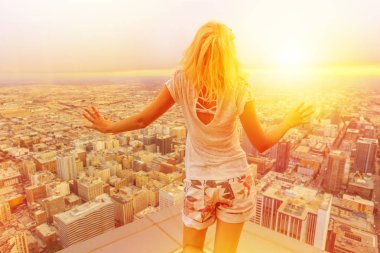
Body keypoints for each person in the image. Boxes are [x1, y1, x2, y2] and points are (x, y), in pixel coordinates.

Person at [82, 21, 314, 253]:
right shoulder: (239, 87)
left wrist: (109, 127)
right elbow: (261, 143)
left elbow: (143, 120)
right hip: (236, 180)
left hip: (199, 182)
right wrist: (287, 122)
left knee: (192, 247)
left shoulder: (181, 81)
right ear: (229, 54)